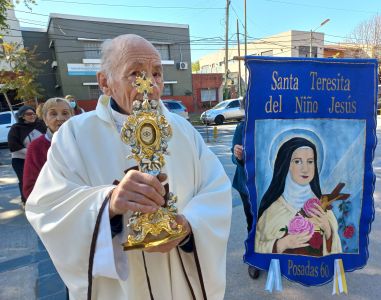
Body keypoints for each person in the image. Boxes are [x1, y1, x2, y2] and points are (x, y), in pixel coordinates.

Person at [25, 34, 232, 300]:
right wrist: (108, 202)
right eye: (135, 73)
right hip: (120, 288)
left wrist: (188, 226)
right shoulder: (74, 135)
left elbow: (216, 189)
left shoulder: (183, 131)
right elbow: (47, 207)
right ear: (104, 82)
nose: (150, 84)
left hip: (177, 281)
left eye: (156, 73)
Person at [255, 137, 342, 256]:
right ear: (286, 165)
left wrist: (328, 231)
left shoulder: (321, 207)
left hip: (315, 271)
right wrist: (281, 244)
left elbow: (336, 249)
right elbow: (258, 243)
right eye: (297, 161)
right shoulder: (272, 210)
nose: (305, 169)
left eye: (310, 161)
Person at [23, 97, 74, 199]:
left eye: (65, 113)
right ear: (45, 120)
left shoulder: (81, 141)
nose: (60, 118)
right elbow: (29, 189)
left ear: (73, 117)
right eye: (53, 114)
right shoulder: (36, 147)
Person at [231, 120, 261, 279]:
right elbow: (233, 157)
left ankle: (269, 255)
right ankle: (253, 259)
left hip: (267, 184)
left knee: (270, 221)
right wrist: (238, 155)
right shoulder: (242, 127)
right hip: (247, 186)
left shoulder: (271, 122)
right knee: (252, 222)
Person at [7, 105, 46, 204]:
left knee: (41, 180)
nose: (32, 116)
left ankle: (41, 201)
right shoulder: (16, 128)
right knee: (25, 181)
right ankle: (26, 202)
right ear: (22, 116)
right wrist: (32, 152)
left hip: (39, 159)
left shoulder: (41, 125)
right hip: (20, 160)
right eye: (29, 114)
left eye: (34, 113)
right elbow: (13, 145)